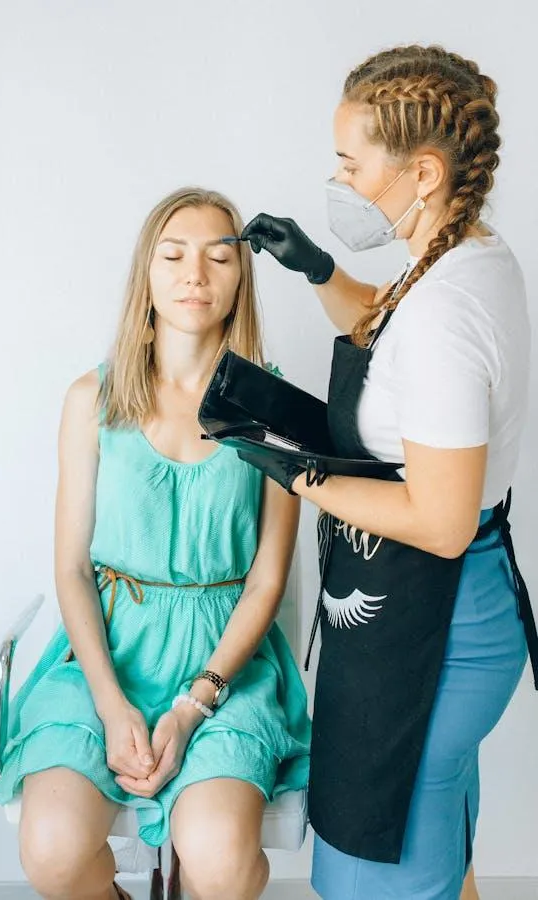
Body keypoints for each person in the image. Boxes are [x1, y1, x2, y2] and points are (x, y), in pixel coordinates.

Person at [237, 44, 537, 900]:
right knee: (438, 852)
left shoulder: (446, 312)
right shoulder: (460, 255)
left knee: (381, 873)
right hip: (437, 614)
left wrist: (299, 475)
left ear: (424, 170)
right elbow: (391, 324)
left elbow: (439, 519)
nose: (337, 180)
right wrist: (318, 270)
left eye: (349, 161)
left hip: (434, 630)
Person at [0, 187, 310, 900]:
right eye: (174, 256)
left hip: (227, 663)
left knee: (221, 863)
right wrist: (109, 701)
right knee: (54, 852)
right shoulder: (91, 400)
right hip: (105, 652)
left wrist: (195, 702)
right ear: (147, 274)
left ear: (240, 279)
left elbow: (266, 582)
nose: (195, 274)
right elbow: (70, 568)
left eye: (219, 257)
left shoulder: (274, 406)